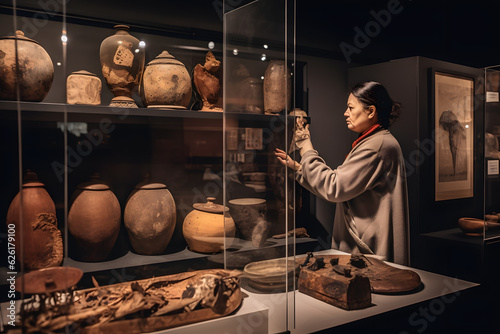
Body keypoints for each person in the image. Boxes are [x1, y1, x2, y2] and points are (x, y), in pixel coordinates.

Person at [275, 81, 409, 265]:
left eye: (351, 108)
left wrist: (306, 147)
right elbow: (343, 185)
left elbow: (334, 187)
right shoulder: (376, 141)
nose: (345, 113)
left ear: (370, 111)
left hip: (370, 254)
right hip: (368, 250)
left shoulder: (377, 145)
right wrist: (299, 168)